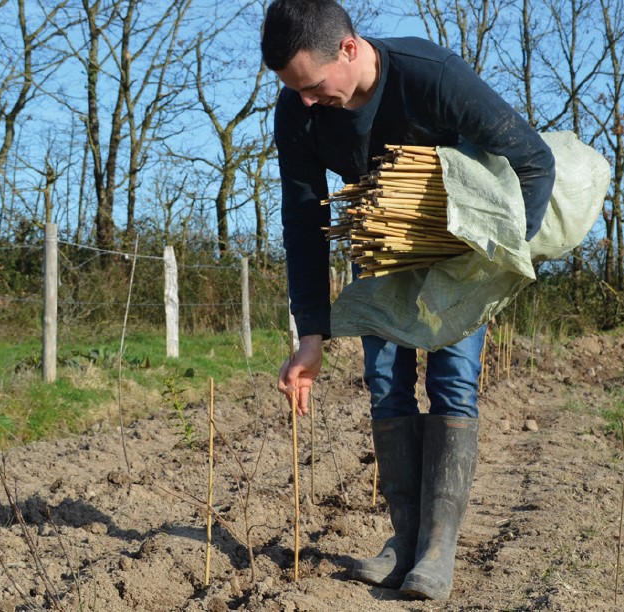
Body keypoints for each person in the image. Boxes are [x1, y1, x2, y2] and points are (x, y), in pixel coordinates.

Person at [261, 0, 555, 601]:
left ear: (348, 48)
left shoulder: (431, 76)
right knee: (385, 381)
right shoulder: (298, 109)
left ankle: (438, 546)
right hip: (382, 256)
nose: (307, 102)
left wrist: (495, 266)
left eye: (314, 87)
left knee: (453, 379)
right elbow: (303, 218)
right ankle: (405, 540)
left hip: (456, 259)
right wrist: (310, 334)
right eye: (296, 91)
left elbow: (533, 159)